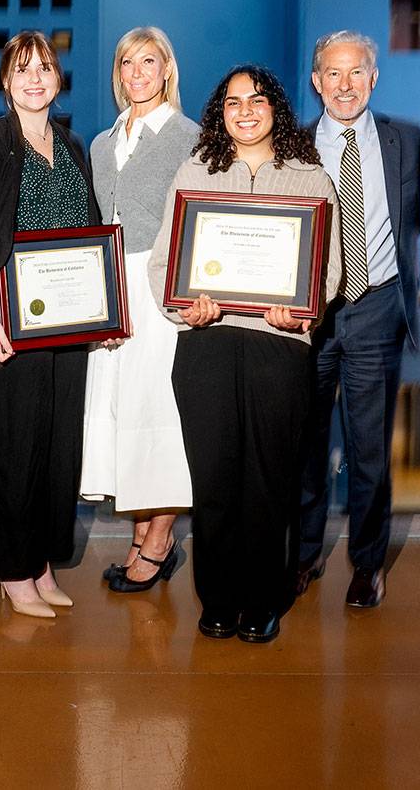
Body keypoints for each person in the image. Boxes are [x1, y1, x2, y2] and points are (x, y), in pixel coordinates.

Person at [148, 66, 341, 644]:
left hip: (279, 347)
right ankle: (219, 597)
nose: (246, 111)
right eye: (233, 102)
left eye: (257, 100)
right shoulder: (194, 171)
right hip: (207, 344)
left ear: (276, 108)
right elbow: (164, 262)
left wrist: (303, 311)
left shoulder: (310, 177)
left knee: (269, 480)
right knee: (213, 478)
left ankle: (263, 599)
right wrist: (185, 307)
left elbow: (330, 267)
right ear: (220, 114)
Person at [0, 31, 100, 619]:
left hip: (70, 321)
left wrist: (104, 305)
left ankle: (43, 563)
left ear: (58, 78)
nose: (36, 79)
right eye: (23, 70)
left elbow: (91, 230)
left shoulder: (72, 145)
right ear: (5, 83)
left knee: (57, 445)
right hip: (12, 321)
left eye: (44, 68)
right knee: (14, 446)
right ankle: (12, 570)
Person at [295, 31, 420, 609]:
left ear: (373, 79)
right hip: (308, 315)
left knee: (368, 450)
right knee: (304, 448)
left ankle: (368, 565)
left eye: (356, 73)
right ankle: (301, 557)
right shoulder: (291, 144)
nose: (344, 85)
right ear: (316, 81)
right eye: (332, 73)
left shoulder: (408, 138)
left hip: (377, 305)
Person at [78, 27, 199, 593]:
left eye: (149, 61)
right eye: (127, 62)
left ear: (167, 70)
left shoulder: (190, 137)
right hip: (114, 282)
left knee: (161, 408)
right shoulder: (103, 142)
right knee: (124, 406)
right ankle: (141, 529)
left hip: (160, 282)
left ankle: (160, 538)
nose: (137, 72)